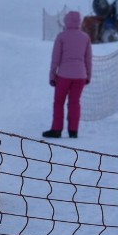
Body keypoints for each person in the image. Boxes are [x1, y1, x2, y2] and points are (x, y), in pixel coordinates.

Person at [43, 10, 92, 139]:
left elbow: (55, 59)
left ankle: (56, 129)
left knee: (59, 102)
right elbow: (88, 59)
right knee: (75, 103)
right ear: (79, 22)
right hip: (80, 76)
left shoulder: (61, 36)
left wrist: (52, 76)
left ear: (66, 21)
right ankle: (73, 131)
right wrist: (88, 75)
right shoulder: (85, 37)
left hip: (64, 75)